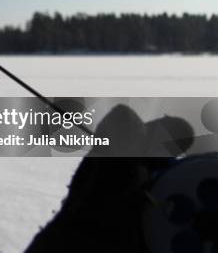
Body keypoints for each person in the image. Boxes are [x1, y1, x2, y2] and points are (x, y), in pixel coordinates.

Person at [25, 105, 195, 253]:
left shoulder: (139, 168)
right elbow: (122, 115)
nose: (153, 122)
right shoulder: (123, 155)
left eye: (161, 123)